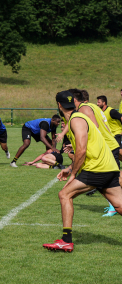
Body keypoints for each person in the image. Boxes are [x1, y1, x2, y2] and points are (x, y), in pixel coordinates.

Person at [43, 90, 122, 252]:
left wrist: (72, 174)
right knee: (119, 205)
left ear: (59, 105)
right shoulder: (78, 117)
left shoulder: (76, 119)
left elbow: (82, 150)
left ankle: (66, 240)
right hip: (109, 166)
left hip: (97, 168)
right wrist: (70, 168)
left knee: (65, 194)